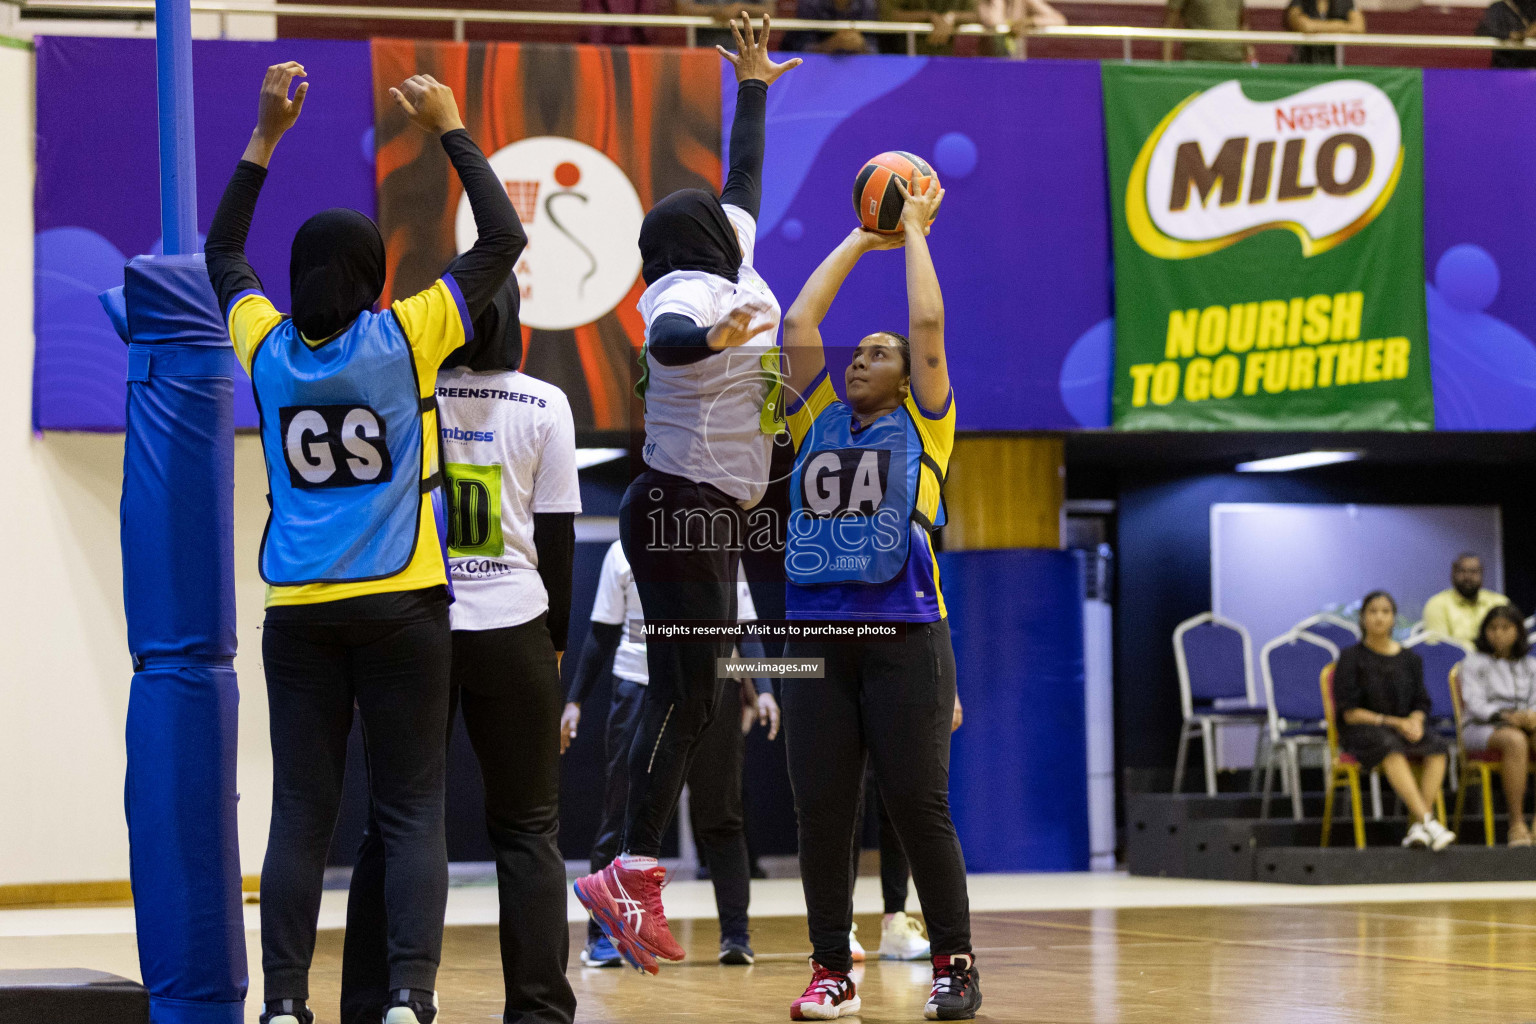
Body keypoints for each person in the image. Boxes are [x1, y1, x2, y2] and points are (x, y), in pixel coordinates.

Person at [204, 64, 520, 1024]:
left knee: (300, 813)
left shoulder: (264, 345)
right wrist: (452, 128)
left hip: (298, 613)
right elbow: (503, 240)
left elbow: (224, 256)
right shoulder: (407, 335)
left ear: (299, 277)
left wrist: (264, 138)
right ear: (373, 273)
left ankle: (288, 1004)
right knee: (410, 810)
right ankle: (411, 1000)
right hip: (403, 607)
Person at [570, 15, 800, 974]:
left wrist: (752, 86)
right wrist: (710, 342)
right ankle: (627, 872)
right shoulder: (682, 296)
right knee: (688, 697)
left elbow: (743, 179)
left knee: (697, 699)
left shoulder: (728, 252)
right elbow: (664, 341)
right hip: (675, 511)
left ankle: (629, 869)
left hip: (705, 513)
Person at [339, 275, 583, 1024]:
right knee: (530, 829)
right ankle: (539, 1010)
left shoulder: (408, 395)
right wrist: (554, 648)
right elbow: (560, 542)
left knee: (395, 824)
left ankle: (374, 1003)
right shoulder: (547, 403)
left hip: (418, 625)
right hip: (516, 626)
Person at [778, 177, 981, 1021]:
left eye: (880, 352)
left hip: (904, 634)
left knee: (916, 805)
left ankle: (954, 965)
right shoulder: (814, 419)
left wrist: (918, 230)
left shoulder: (927, 420)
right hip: (816, 633)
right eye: (857, 350)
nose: (862, 356)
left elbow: (927, 326)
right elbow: (796, 326)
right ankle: (832, 967)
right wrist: (864, 237)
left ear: (908, 381)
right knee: (821, 811)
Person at [563, 542, 781, 968]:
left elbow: (746, 629)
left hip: (713, 686)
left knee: (722, 815)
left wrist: (767, 689)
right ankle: (602, 937)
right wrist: (575, 700)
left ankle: (736, 935)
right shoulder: (623, 552)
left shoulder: (724, 548)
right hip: (639, 689)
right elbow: (602, 632)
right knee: (622, 813)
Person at [1334, 591, 1456, 852]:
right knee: (1390, 746)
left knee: (1437, 745)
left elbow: (1421, 702)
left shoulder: (1411, 659)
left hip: (1403, 728)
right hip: (1363, 731)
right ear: (1363, 618)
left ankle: (1418, 827)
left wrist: (1416, 720)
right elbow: (1349, 712)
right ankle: (1428, 820)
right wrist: (1394, 722)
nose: (1379, 617)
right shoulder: (1350, 657)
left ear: (1393, 617)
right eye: (1373, 611)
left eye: (1385, 611)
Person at [1458, 604, 1536, 845]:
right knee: (1515, 740)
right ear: (1484, 632)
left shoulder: (1530, 664)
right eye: (1493, 628)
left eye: (1506, 627)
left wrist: (1530, 715)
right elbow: (1474, 703)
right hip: (1482, 726)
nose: (1499, 633)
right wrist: (1505, 716)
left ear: (1518, 631)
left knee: (1525, 735)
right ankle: (1516, 823)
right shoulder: (1472, 663)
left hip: (1524, 723)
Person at [881, 0, 1065, 56]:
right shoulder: (981, 2)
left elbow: (1059, 19)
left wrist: (1031, 22)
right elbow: (990, 21)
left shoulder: (1024, 1)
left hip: (1015, 64)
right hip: (986, 66)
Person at [1422, 553, 1510, 645]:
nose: (1468, 577)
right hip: (1457, 659)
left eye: (1473, 571)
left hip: (1495, 658)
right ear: (1453, 573)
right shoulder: (1437, 604)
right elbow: (1439, 649)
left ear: (1482, 574)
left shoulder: (1499, 602)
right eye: (1462, 571)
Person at [1163, 0, 1253, 64]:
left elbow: (1242, 23)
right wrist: (1167, 65)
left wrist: (1250, 52)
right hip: (1199, 63)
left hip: (1234, 62)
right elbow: (1170, 26)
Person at [782, 0, 882, 53]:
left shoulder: (867, 4)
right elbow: (800, 49)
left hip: (857, 71)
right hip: (813, 72)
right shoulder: (810, 3)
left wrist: (862, 46)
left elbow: (875, 50)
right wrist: (830, 45)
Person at [1284, 0, 1363, 63]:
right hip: (1303, 64)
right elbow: (1305, 26)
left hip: (1334, 65)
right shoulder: (1299, 1)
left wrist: (1316, 27)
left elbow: (1358, 27)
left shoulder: (1344, 2)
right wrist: (1340, 25)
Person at [676, 0, 776, 50]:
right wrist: (715, 11)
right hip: (705, 51)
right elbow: (682, 8)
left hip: (746, 53)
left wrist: (740, 8)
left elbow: (770, 10)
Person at [1476, 0, 1536, 68]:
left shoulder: (1532, 6)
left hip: (1531, 64)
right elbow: (1484, 30)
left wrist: (1525, 35)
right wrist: (1510, 35)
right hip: (1505, 64)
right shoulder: (1498, 8)